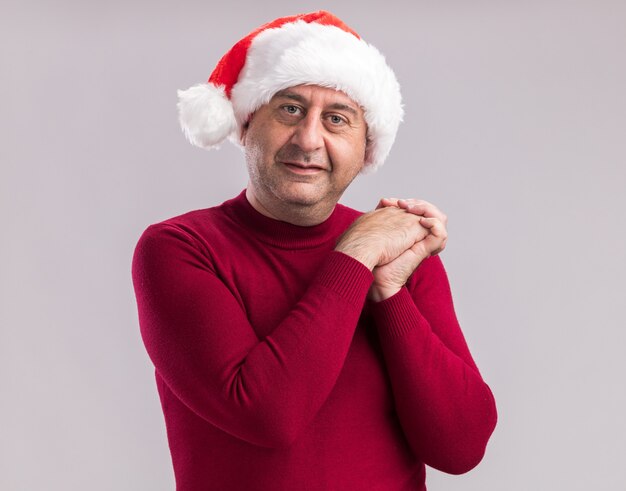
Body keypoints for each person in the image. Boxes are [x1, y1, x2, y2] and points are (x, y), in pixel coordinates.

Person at [131, 10, 497, 491]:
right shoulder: (180, 248)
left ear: (366, 146)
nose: (308, 139)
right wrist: (354, 258)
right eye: (289, 109)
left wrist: (389, 292)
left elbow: (461, 447)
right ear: (246, 124)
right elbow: (267, 416)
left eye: (337, 119)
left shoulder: (399, 254)